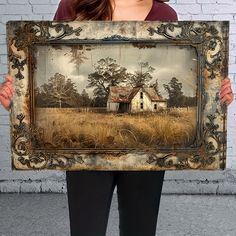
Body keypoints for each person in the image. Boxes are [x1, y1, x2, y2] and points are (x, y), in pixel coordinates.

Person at [0, 0, 234, 235]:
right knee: (86, 229)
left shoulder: (164, 14)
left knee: (139, 228)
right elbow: (47, 66)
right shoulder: (74, 5)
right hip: (86, 155)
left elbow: (188, 73)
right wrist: (20, 101)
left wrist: (214, 95)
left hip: (148, 154)